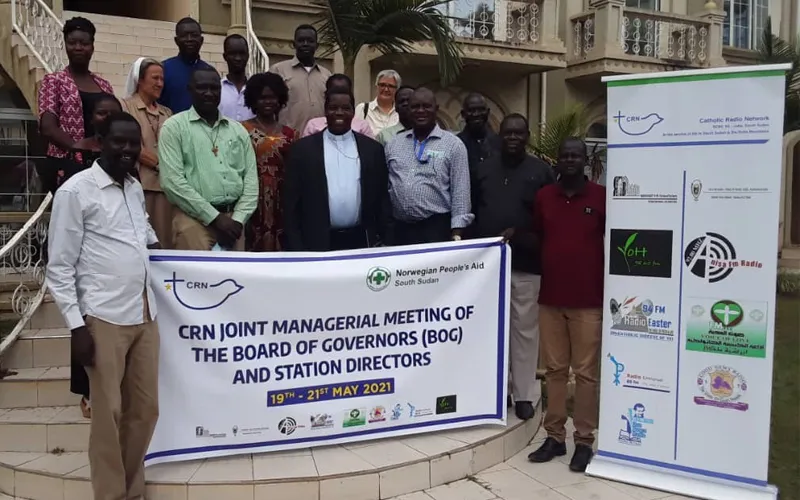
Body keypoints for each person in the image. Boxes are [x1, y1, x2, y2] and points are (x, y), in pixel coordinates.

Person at [46, 111, 161, 500]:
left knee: (145, 412)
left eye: (134, 143)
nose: (129, 150)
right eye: (120, 142)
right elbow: (59, 267)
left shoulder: (133, 186)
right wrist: (77, 327)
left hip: (145, 314)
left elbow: (142, 230)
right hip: (102, 318)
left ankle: (131, 491)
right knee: (108, 418)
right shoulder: (76, 192)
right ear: (99, 142)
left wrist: (161, 248)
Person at [528, 137, 605, 473]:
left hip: (589, 300)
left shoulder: (601, 198)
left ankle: (584, 440)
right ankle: (555, 437)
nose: (570, 160)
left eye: (576, 155)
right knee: (555, 371)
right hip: (551, 298)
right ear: (557, 161)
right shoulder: (545, 197)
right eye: (565, 155)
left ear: (585, 160)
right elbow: (537, 236)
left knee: (586, 374)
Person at [471, 114, 554, 420]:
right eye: (508, 133)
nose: (513, 138)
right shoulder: (483, 169)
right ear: (500, 135)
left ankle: (522, 394)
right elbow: (472, 211)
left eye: (520, 133)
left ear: (528, 136)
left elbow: (550, 221)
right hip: (488, 267)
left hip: (526, 264)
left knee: (524, 331)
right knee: (492, 330)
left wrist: (524, 237)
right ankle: (497, 390)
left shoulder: (541, 171)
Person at [159, 67, 258, 251]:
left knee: (235, 279)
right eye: (202, 88)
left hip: (234, 223)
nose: (209, 93)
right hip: (193, 221)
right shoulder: (174, 128)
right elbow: (172, 182)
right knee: (197, 280)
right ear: (190, 89)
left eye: (214, 88)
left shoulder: (237, 131)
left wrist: (237, 221)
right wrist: (214, 218)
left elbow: (251, 181)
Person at [284, 87, 389, 251]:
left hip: (361, 241)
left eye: (345, 108)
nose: (339, 112)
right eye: (333, 108)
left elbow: (382, 199)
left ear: (353, 112)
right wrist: (296, 246)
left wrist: (385, 239)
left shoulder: (372, 150)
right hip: (316, 243)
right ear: (325, 111)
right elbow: (292, 204)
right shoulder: (302, 150)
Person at [37, 16, 115, 194]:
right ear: (65, 45)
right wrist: (76, 145)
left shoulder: (104, 85)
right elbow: (47, 126)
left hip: (101, 162)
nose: (78, 47)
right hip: (67, 161)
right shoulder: (54, 81)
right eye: (72, 42)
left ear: (92, 47)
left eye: (84, 43)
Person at [386, 87, 473, 245]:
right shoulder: (394, 143)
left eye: (426, 106)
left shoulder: (453, 145)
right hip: (399, 230)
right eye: (415, 107)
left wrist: (457, 234)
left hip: (436, 229)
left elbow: (461, 193)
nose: (420, 111)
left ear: (436, 109)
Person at [240, 72, 297, 251]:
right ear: (253, 100)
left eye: (272, 98)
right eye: (262, 98)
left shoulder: (291, 134)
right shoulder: (241, 130)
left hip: (282, 198)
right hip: (252, 197)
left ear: (280, 99)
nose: (268, 102)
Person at [121, 57, 175, 248]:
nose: (160, 83)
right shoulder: (126, 107)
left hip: (166, 188)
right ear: (140, 80)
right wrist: (161, 164)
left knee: (165, 240)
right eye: (155, 78)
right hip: (140, 184)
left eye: (162, 79)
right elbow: (131, 144)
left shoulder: (167, 113)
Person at [269, 24, 331, 133]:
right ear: (294, 44)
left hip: (320, 139)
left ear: (317, 45)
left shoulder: (327, 75)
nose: (305, 44)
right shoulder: (278, 70)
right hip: (288, 139)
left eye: (310, 41)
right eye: (301, 40)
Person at [159, 17, 213, 113]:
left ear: (201, 40)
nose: (189, 39)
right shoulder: (163, 69)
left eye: (194, 35)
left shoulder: (209, 72)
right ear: (176, 40)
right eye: (184, 35)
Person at [302, 74, 374, 138]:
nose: (339, 96)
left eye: (344, 91)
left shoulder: (362, 126)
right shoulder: (313, 125)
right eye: (334, 91)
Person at [457, 93, 501, 176]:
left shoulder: (499, 143)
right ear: (463, 114)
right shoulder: (456, 143)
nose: (476, 114)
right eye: (471, 110)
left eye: (481, 110)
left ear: (488, 112)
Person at [219, 34, 254, 121]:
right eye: (233, 54)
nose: (238, 58)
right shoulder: (217, 89)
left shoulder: (256, 90)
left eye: (242, 53)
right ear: (225, 57)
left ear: (248, 56)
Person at [355, 69, 401, 135]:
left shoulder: (400, 112)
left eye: (390, 86)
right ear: (376, 86)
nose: (386, 89)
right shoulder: (363, 109)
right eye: (382, 85)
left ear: (397, 89)